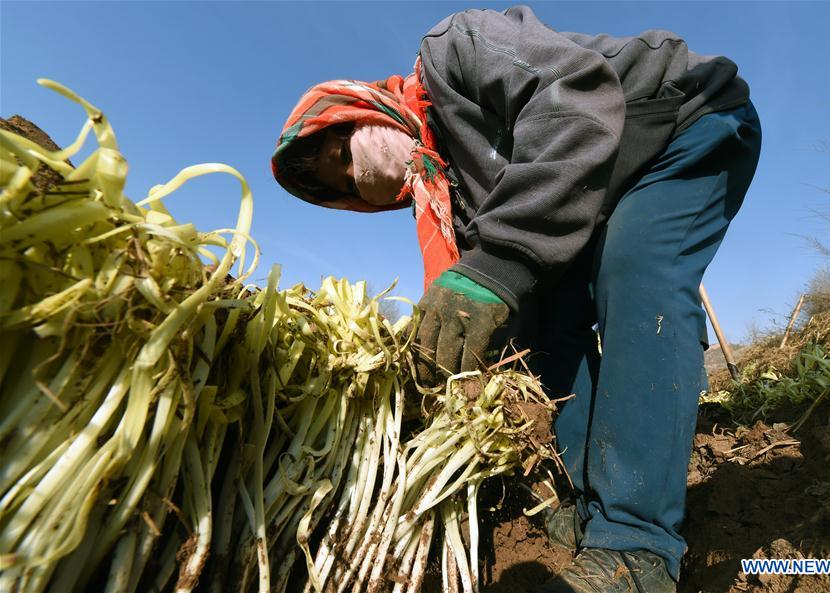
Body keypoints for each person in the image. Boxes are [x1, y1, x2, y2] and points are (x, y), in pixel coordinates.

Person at [271, 6, 761, 593]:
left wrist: (499, 265)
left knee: (634, 271)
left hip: (679, 122)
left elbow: (575, 94)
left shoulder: (455, 48)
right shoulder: (450, 190)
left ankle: (636, 543)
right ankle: (582, 497)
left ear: (357, 110)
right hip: (601, 187)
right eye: (346, 189)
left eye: (342, 156)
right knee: (546, 323)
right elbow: (510, 287)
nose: (361, 179)